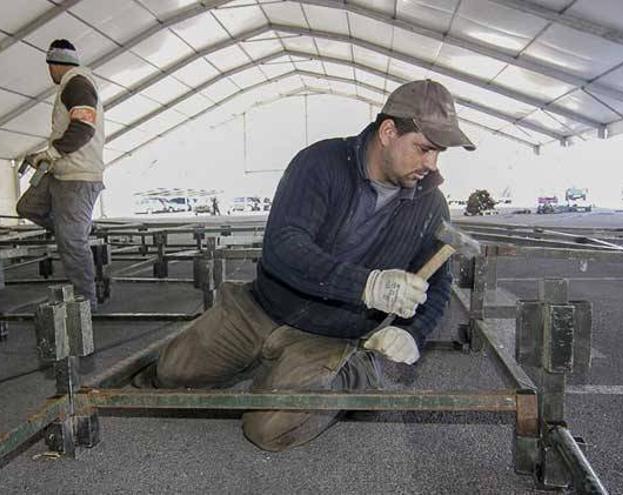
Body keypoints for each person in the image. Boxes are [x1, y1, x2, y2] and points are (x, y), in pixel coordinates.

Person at [137, 80, 476, 451]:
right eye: (423, 149)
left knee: (270, 430)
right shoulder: (320, 164)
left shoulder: (431, 207)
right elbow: (284, 246)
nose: (431, 164)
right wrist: (367, 285)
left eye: (438, 153)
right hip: (260, 309)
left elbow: (439, 283)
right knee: (171, 373)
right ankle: (270, 363)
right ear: (389, 131)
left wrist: (414, 332)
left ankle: (355, 371)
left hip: (329, 333)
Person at [16, 39, 105, 309]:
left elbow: (83, 129)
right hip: (61, 173)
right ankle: (74, 231)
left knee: (72, 242)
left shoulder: (77, 84)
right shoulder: (72, 85)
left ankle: (85, 303)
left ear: (53, 65)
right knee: (28, 207)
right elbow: (71, 129)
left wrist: (52, 153)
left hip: (77, 177)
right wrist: (46, 155)